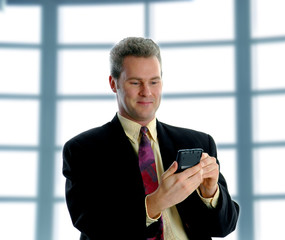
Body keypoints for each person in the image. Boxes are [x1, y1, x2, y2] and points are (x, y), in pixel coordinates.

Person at [62, 37, 239, 240]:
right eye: (135, 82)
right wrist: (155, 203)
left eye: (154, 82)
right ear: (113, 83)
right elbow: (91, 223)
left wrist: (210, 194)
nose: (146, 92)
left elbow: (224, 227)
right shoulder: (83, 150)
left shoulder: (198, 143)